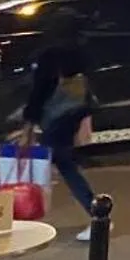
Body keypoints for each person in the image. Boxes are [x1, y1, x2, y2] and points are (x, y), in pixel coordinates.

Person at [24, 37, 100, 240]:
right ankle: (95, 213)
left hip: (55, 120)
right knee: (64, 165)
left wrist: (27, 127)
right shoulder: (76, 49)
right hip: (71, 116)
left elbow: (38, 94)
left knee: (64, 166)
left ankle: (97, 215)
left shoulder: (48, 56)